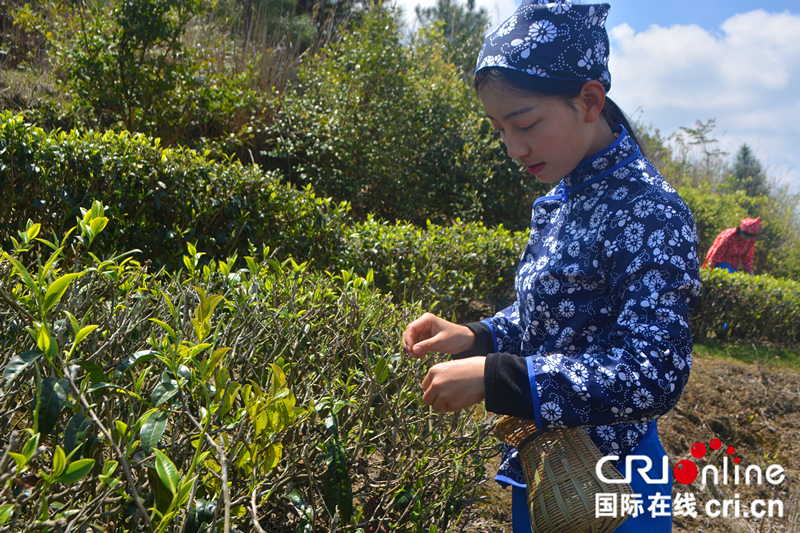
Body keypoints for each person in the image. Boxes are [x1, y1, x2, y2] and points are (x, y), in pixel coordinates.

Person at [401, 2, 701, 532]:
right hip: (547, 472)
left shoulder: (651, 210)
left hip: (616, 487)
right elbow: (546, 316)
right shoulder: (557, 199)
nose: (513, 147)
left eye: (526, 123)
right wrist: (476, 336)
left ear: (589, 100)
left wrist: (500, 378)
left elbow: (655, 370)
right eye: (499, 128)